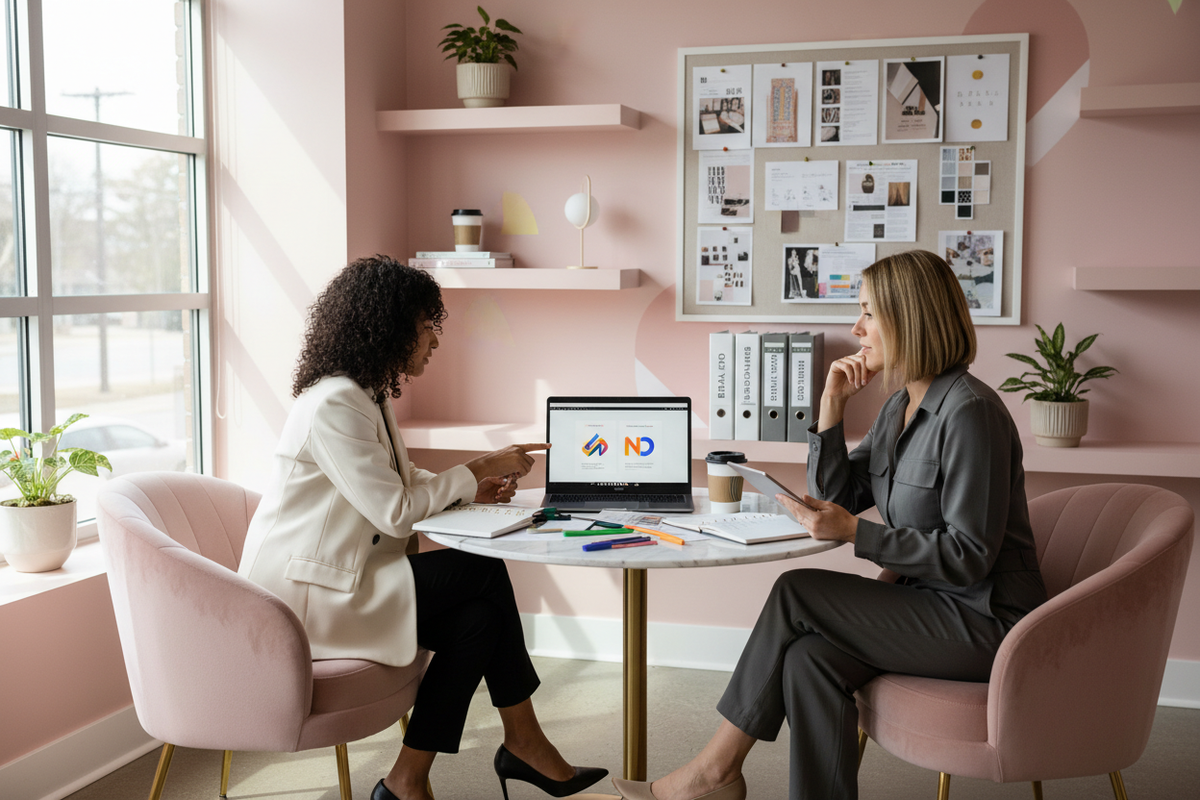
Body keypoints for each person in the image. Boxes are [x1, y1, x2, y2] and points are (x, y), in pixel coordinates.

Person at [613, 250, 1046, 800]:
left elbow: (969, 556)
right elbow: (838, 496)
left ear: (909, 317)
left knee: (798, 591)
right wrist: (831, 407)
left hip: (986, 622)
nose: (855, 328)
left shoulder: (970, 414)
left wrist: (853, 534)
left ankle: (713, 773)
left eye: (868, 312)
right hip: (929, 607)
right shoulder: (899, 407)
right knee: (807, 658)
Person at [238, 255, 606, 800]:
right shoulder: (335, 403)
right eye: (425, 326)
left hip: (353, 579)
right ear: (388, 326)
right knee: (482, 573)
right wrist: (478, 469)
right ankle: (523, 742)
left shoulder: (367, 395)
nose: (435, 340)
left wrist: (470, 488)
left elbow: (404, 480)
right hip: (309, 597)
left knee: (479, 620)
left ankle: (407, 779)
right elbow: (392, 510)